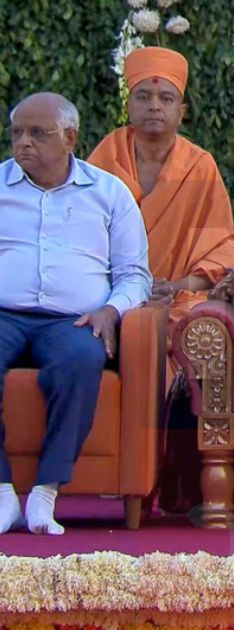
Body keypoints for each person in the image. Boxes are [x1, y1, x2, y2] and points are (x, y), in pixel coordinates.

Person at [0, 93, 151, 534]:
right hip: (4, 314)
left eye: (37, 133)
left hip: (74, 320)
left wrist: (111, 310)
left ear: (70, 138)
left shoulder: (108, 193)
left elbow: (134, 274)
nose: (23, 143)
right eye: (16, 133)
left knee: (83, 359)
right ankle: (3, 494)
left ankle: (45, 493)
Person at [89, 47, 234, 353]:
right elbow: (80, 241)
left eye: (166, 98)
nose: (154, 106)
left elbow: (221, 250)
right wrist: (123, 291)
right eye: (143, 96)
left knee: (191, 322)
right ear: (129, 105)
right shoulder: (105, 159)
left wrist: (174, 287)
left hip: (175, 296)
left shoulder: (198, 166)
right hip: (109, 293)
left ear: (181, 111)